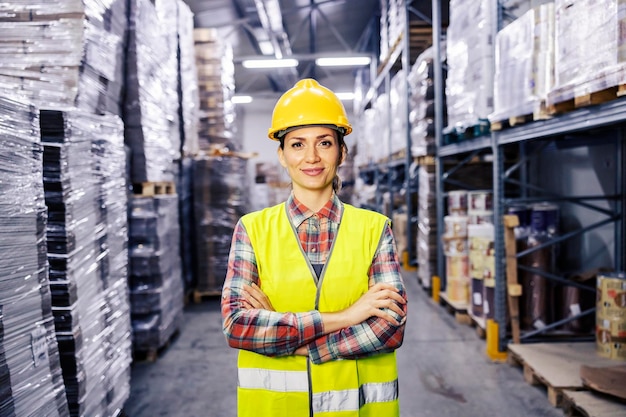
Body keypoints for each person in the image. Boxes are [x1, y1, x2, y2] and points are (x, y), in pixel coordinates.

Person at [221, 78, 408, 417]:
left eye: (324, 143)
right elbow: (238, 325)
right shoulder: (251, 229)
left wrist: (300, 343)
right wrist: (349, 317)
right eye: (297, 144)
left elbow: (390, 327)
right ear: (281, 154)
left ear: (342, 151)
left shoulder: (375, 229)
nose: (311, 157)